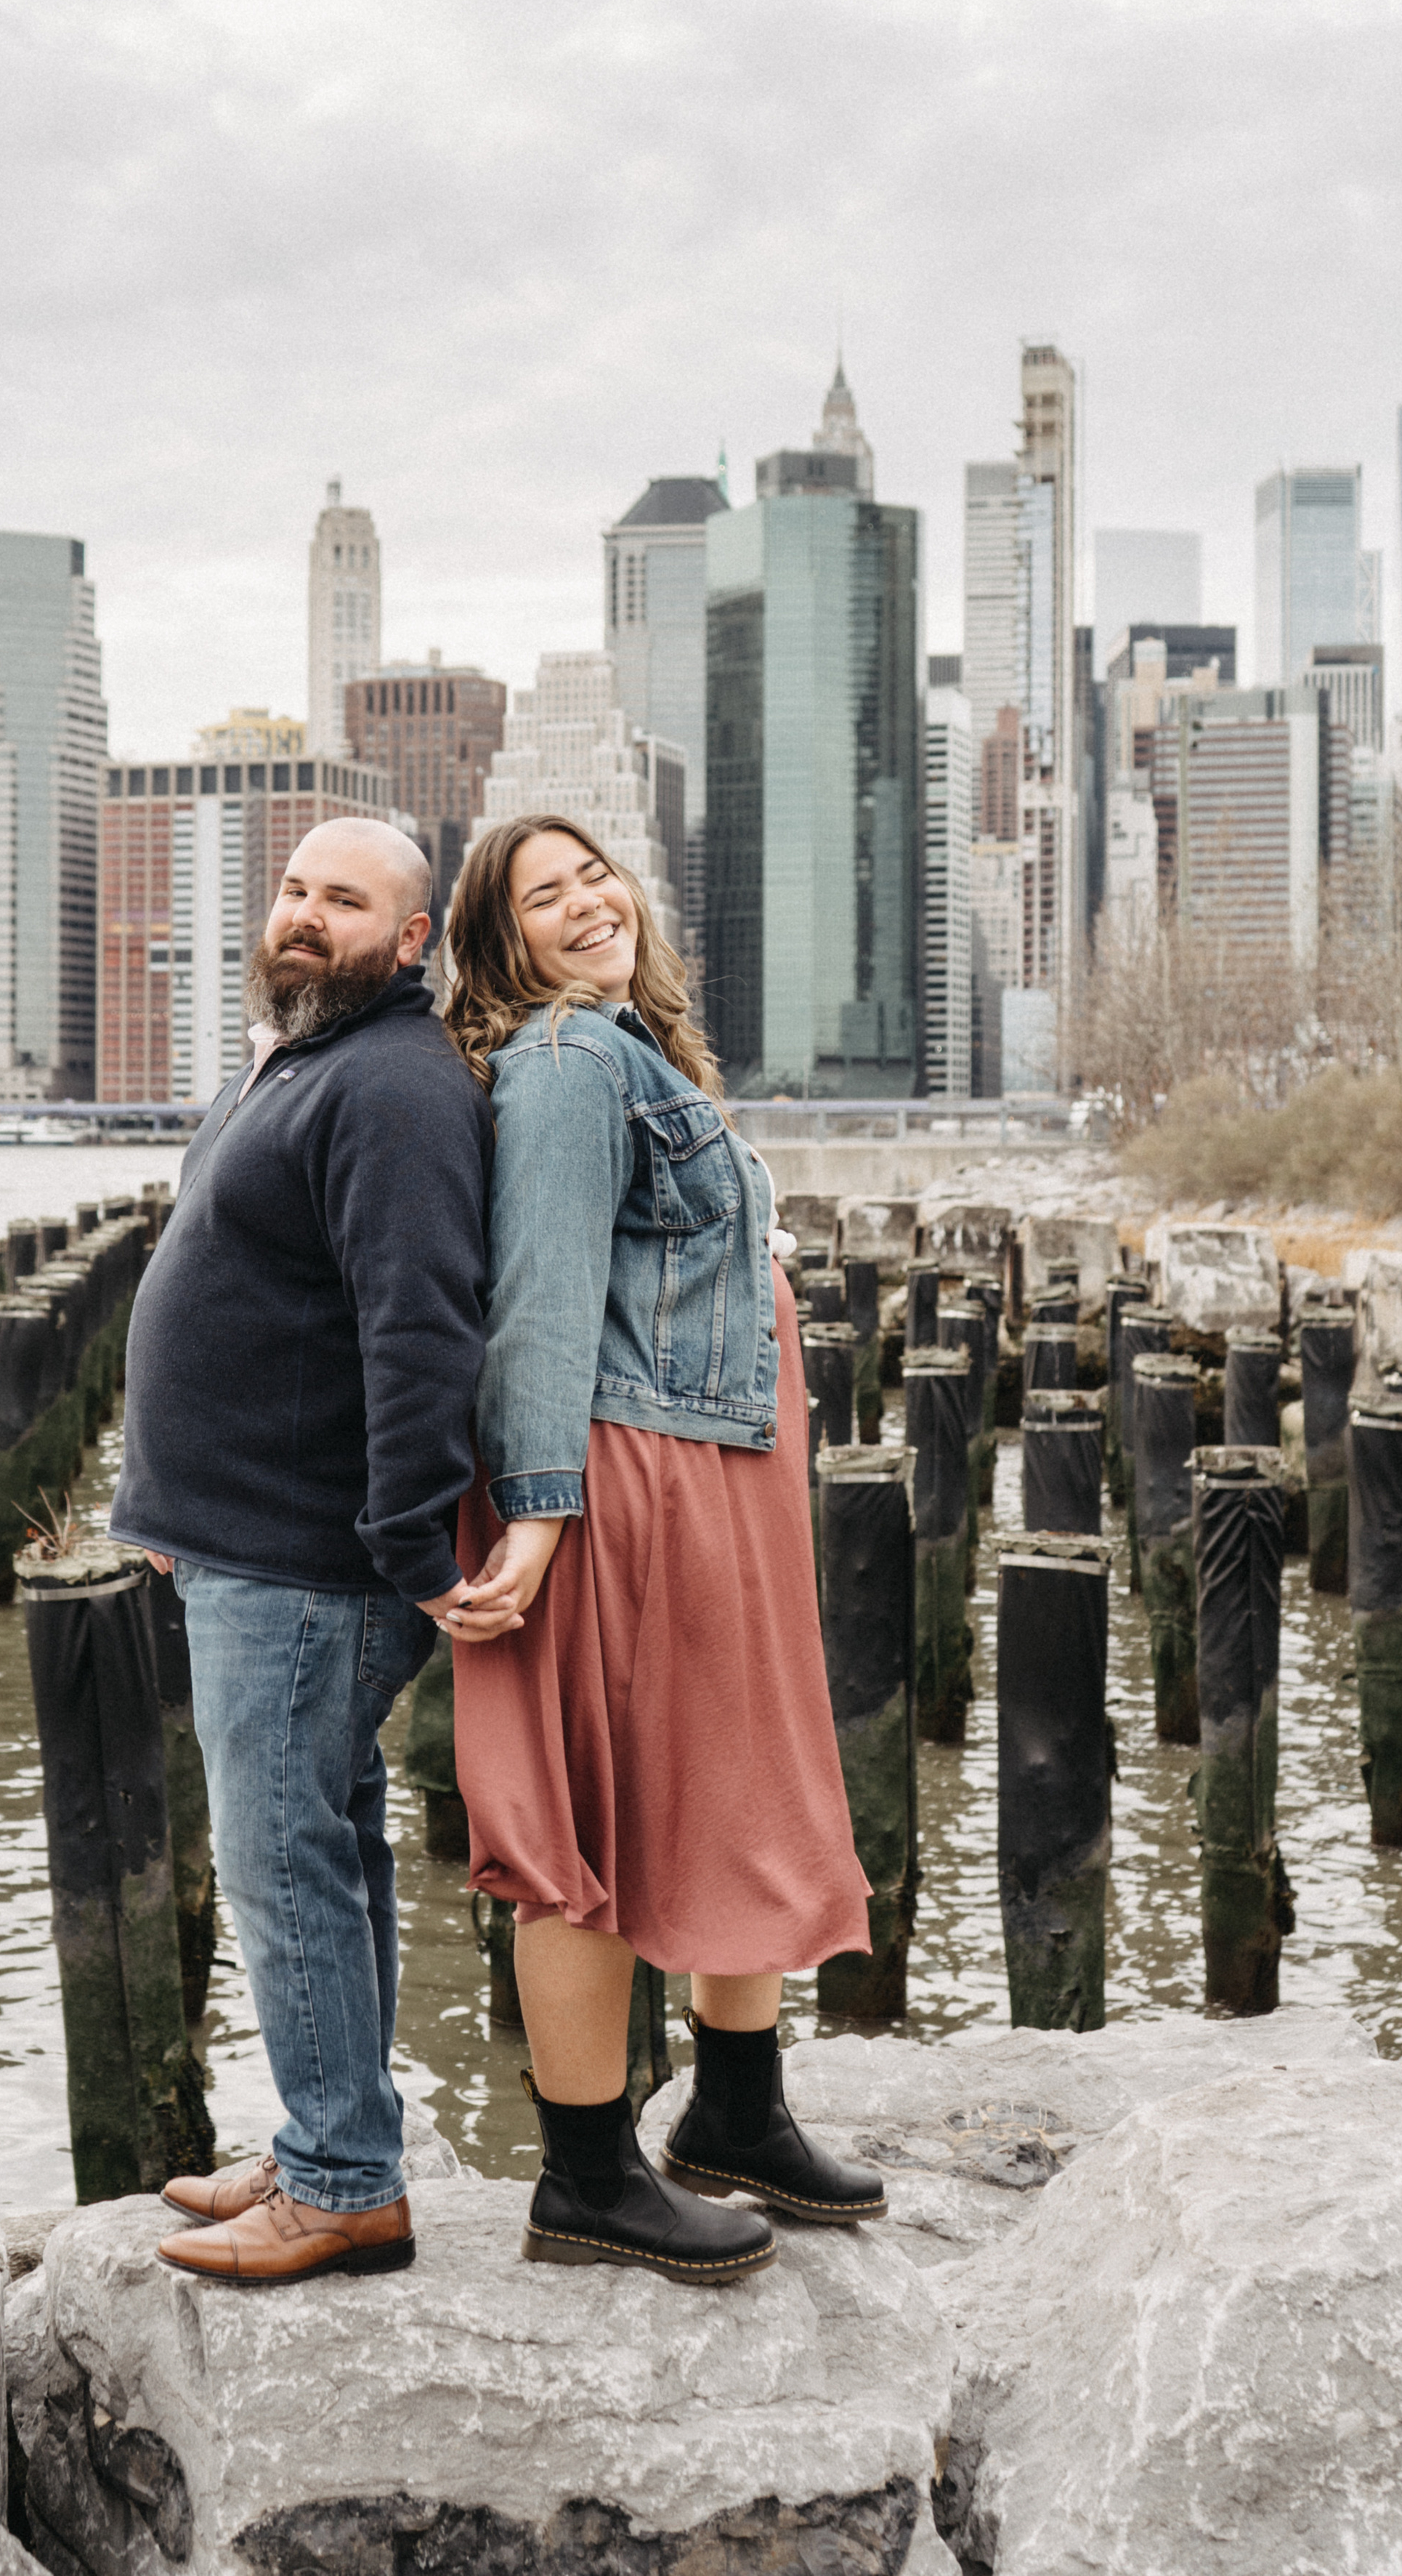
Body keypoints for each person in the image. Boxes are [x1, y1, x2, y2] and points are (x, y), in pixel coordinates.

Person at [437, 812, 885, 2285]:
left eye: (594, 875)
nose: (586, 904)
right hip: (634, 1478)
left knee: (731, 1777)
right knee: (597, 1816)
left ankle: (736, 2113)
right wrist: (540, 1508)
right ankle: (584, 2178)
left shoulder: (637, 1051)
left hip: (716, 1470)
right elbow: (542, 1293)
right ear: (501, 946)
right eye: (542, 897)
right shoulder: (570, 1060)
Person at [110, 815, 493, 2288]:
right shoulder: (300, 1059)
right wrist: (173, 1514)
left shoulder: (393, 1083)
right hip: (247, 1546)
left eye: (344, 899)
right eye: (291, 890)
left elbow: (421, 1323)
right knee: (324, 1845)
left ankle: (342, 2184)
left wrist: (406, 1539)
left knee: (280, 1859)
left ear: (411, 940)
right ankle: (331, 2135)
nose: (303, 915)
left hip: (311, 1560)